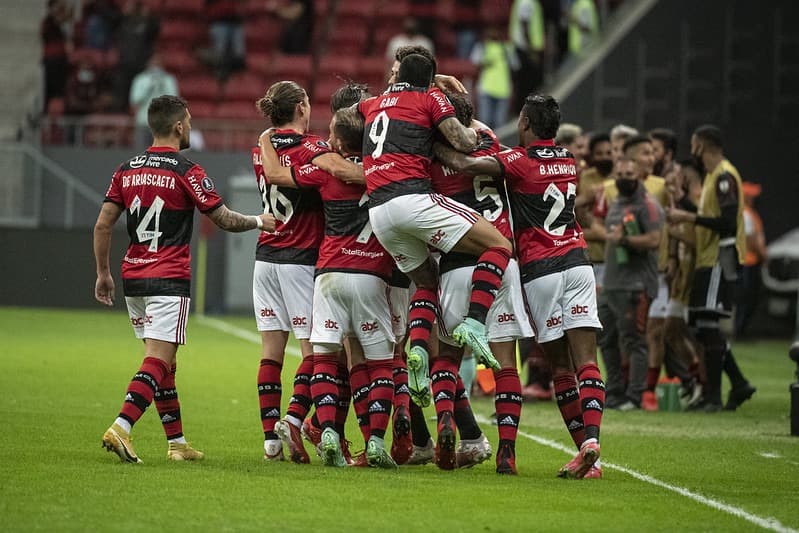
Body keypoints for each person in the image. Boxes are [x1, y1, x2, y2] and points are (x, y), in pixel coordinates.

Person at [95, 95, 276, 464]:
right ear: (178, 126)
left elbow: (103, 224)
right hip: (168, 277)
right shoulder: (187, 171)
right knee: (158, 361)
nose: (191, 126)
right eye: (189, 121)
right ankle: (121, 427)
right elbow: (223, 218)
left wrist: (103, 272)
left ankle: (177, 444)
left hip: (133, 276)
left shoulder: (126, 169)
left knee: (165, 364)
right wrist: (260, 221)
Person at [434, 93, 605, 479]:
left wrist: (430, 142)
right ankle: (589, 444)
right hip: (577, 262)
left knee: (557, 365)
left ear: (525, 123)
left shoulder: (516, 161)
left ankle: (494, 447)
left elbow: (463, 162)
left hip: (536, 267)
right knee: (586, 363)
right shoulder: (566, 158)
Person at [358, 53, 514, 466]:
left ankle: (419, 358)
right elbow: (464, 145)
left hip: (380, 215)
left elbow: (351, 115)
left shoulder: (376, 107)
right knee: (500, 244)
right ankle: (475, 330)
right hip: (443, 230)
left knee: (424, 290)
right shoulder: (458, 121)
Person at [259, 106, 399, 468]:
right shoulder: (385, 172)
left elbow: (274, 173)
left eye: (333, 134)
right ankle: (376, 443)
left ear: (338, 139)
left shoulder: (323, 172)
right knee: (381, 365)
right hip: (372, 276)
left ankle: (328, 433)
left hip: (329, 274)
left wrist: (264, 139)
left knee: (323, 359)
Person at [251, 81, 362, 464]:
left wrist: (266, 138)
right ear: (300, 106)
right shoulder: (313, 147)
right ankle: (296, 421)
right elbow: (335, 171)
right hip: (300, 257)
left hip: (265, 257)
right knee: (317, 351)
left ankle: (272, 444)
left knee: (270, 353)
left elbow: (275, 171)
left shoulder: (260, 149)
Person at [430, 91, 532, 473]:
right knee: (506, 365)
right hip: (502, 262)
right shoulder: (489, 142)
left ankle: (445, 420)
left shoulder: (432, 160)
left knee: (447, 359)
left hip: (458, 264)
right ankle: (507, 451)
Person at [666, 124, 756, 412]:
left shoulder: (724, 177)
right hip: (708, 258)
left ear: (702, 146)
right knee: (700, 326)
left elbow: (728, 223)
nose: (692, 152)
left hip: (720, 257)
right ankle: (737, 384)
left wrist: (688, 218)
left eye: (694, 146)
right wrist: (681, 203)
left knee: (708, 326)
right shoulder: (713, 179)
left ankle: (715, 396)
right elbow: (707, 216)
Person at [598, 157, 664, 411]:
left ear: (639, 176)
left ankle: (635, 395)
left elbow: (654, 239)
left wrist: (625, 240)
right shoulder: (617, 202)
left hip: (636, 284)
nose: (624, 178)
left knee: (634, 339)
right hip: (612, 283)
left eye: (629, 173)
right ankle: (614, 391)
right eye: (621, 173)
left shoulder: (647, 205)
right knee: (606, 338)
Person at [113, 0, 160, 112]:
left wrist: (148, 16)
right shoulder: (122, 21)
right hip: (124, 64)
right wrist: (124, 13)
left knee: (141, 95)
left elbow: (156, 29)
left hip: (141, 66)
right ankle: (120, 115)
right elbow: (111, 19)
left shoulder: (146, 23)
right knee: (121, 96)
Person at [735, 181, 767, 338]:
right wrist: (763, 255)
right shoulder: (746, 214)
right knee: (745, 299)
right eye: (751, 196)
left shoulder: (750, 213)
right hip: (748, 262)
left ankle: (741, 330)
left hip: (751, 261)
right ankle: (739, 331)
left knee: (749, 298)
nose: (754, 199)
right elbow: (751, 239)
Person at [470, 24, 517, 129]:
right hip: (486, 89)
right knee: (484, 122)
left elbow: (515, 66)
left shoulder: (507, 48)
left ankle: (499, 145)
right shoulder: (482, 46)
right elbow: (475, 64)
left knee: (500, 124)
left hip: (503, 90)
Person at [129, 53, 178, 149]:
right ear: (148, 64)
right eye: (153, 63)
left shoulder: (169, 79)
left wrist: (162, 85)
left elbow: (174, 100)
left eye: (158, 64)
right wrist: (149, 87)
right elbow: (135, 99)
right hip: (143, 121)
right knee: (141, 152)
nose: (155, 66)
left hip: (163, 123)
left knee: (162, 152)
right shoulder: (140, 79)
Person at [509, 0, 545, 113]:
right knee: (528, 83)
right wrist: (531, 51)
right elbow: (525, 25)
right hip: (525, 49)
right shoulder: (527, 2)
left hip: (523, 47)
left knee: (525, 82)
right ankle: (524, 112)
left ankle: (523, 111)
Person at [41, 0, 71, 114]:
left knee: (60, 90)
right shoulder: (48, 22)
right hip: (51, 60)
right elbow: (45, 36)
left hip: (61, 60)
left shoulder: (65, 22)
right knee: (50, 90)